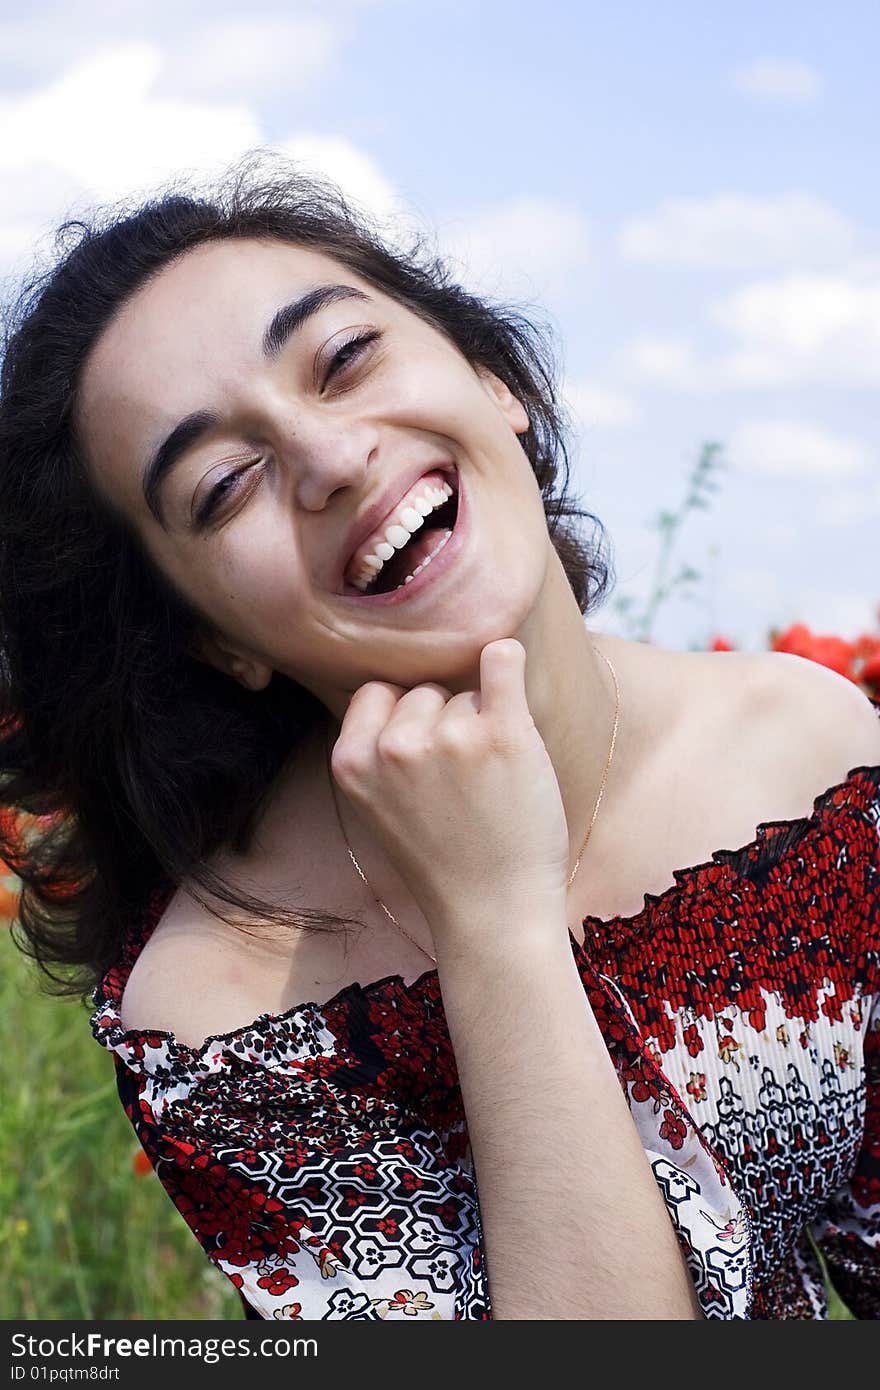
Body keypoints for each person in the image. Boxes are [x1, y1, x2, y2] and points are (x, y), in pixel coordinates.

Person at [1, 153, 878, 1322]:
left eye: (345, 361)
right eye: (223, 484)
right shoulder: (227, 1012)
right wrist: (494, 928)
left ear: (489, 375)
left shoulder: (808, 755)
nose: (329, 458)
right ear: (216, 641)